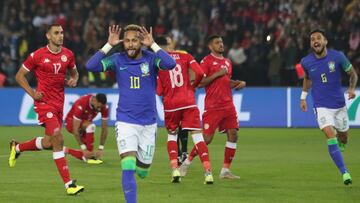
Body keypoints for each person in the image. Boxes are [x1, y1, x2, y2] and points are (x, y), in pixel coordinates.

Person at [85, 24, 176, 203]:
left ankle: (142, 168)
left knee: (142, 171)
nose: (130, 44)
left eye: (134, 40)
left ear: (141, 42)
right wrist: (108, 45)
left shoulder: (151, 59)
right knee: (128, 164)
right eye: (127, 41)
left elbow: (170, 64)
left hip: (149, 123)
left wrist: (153, 45)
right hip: (126, 121)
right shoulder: (117, 59)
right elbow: (91, 66)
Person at [9, 24, 84, 195]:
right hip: (43, 104)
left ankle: (17, 147)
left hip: (59, 104)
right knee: (58, 137)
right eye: (56, 33)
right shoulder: (37, 55)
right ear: (48, 36)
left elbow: (75, 73)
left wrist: (74, 79)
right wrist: (33, 93)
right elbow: (19, 76)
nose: (60, 36)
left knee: (49, 142)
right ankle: (69, 185)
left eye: (62, 33)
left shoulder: (68, 55)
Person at [180, 35, 246, 179]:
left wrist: (238, 84)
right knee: (207, 139)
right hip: (213, 106)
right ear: (210, 46)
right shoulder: (206, 61)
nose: (221, 44)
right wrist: (217, 74)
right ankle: (186, 162)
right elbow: (200, 82)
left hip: (228, 105)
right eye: (217, 43)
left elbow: (225, 82)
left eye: (222, 42)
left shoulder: (228, 62)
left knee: (233, 135)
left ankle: (225, 171)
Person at [300, 29, 358, 185]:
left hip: (339, 105)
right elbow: (307, 78)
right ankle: (344, 172)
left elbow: (353, 74)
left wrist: (352, 88)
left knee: (343, 137)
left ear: (325, 41)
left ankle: (341, 144)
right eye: (312, 39)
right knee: (330, 134)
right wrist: (303, 97)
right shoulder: (306, 61)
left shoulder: (338, 56)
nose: (315, 41)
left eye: (319, 38)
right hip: (321, 106)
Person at [156, 36, 213, 184]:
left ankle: (175, 170)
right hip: (188, 100)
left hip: (171, 104)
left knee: (171, 136)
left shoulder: (159, 62)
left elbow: (158, 90)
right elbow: (200, 73)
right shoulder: (185, 55)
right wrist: (192, 87)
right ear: (170, 44)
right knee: (198, 137)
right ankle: (208, 172)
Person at [64, 93, 109, 164]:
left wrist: (101, 148)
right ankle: (91, 158)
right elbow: (75, 130)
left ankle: (65, 150)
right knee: (91, 126)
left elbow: (105, 128)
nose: (99, 109)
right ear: (94, 101)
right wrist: (83, 148)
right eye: (98, 107)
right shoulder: (82, 103)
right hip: (71, 123)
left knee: (87, 155)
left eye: (101, 107)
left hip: (85, 125)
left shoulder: (103, 107)